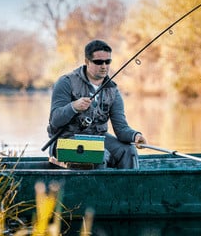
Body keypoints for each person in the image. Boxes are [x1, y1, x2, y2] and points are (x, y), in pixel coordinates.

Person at [46, 40, 147, 169]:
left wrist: (136, 136)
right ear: (87, 61)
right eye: (98, 62)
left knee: (129, 151)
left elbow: (121, 128)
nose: (104, 66)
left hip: (98, 139)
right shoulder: (66, 82)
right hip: (65, 140)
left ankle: (129, 187)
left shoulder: (113, 91)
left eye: (107, 62)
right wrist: (73, 107)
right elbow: (55, 120)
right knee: (98, 155)